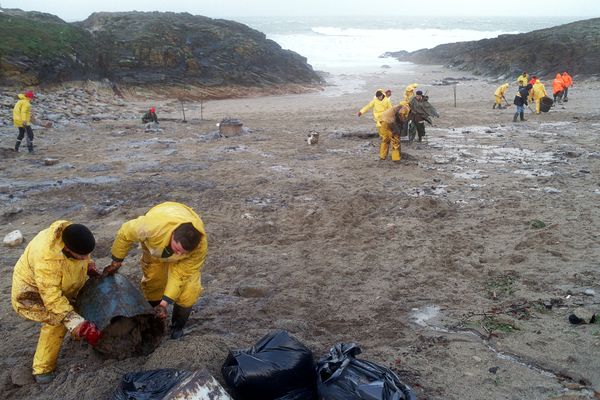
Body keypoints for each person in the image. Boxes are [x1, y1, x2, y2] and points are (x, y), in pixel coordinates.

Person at [11, 221, 101, 384]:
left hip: (60, 284)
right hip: (32, 294)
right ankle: (42, 370)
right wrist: (81, 326)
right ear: (68, 249)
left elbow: (82, 252)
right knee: (57, 321)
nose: (86, 258)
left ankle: (77, 333)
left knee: (75, 305)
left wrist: (89, 265)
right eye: (83, 256)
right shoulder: (47, 261)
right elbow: (53, 300)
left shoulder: (71, 233)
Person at [102, 202, 208, 339]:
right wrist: (117, 261)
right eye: (177, 250)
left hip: (185, 262)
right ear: (173, 235)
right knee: (154, 282)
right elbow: (125, 233)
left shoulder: (199, 248)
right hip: (156, 246)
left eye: (183, 253)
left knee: (189, 291)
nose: (179, 255)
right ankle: (153, 321)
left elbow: (180, 275)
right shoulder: (151, 227)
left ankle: (177, 328)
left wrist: (164, 303)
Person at [358, 89, 394, 160]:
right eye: (377, 97)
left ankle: (384, 140)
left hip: (384, 117)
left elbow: (390, 109)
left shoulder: (387, 100)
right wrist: (361, 112)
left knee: (384, 130)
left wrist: (392, 117)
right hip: (377, 118)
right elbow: (368, 106)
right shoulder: (375, 100)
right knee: (379, 129)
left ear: (382, 95)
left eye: (379, 97)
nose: (378, 98)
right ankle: (382, 138)